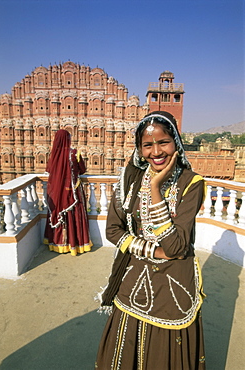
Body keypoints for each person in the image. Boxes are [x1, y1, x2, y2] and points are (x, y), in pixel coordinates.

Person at [95, 111, 206, 369]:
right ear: (139, 148)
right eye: (147, 145)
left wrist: (156, 188)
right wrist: (152, 251)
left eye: (163, 142)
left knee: (163, 353)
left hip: (174, 284)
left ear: (176, 142)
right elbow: (113, 230)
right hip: (133, 279)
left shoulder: (192, 184)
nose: (156, 151)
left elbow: (177, 247)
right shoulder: (130, 179)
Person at [44, 129, 92, 256]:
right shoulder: (74, 153)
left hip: (58, 192)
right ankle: (75, 245)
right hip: (73, 191)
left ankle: (57, 244)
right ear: (68, 139)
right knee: (74, 216)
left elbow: (49, 171)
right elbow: (82, 170)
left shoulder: (54, 155)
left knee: (59, 213)